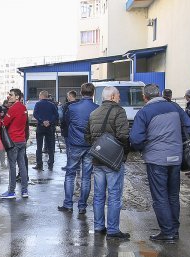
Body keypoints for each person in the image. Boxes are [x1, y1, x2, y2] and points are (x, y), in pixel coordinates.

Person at [130, 84, 190, 243]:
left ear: (145, 97)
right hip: (175, 157)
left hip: (156, 159)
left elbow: (135, 139)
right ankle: (174, 230)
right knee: (173, 195)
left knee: (160, 196)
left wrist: (145, 145)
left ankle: (167, 232)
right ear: (159, 94)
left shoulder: (144, 112)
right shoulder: (174, 107)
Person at [85, 86, 131, 239]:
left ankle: (98, 226)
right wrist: (123, 152)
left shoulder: (93, 113)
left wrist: (99, 146)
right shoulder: (119, 111)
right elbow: (124, 135)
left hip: (98, 159)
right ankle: (112, 230)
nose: (119, 98)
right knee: (114, 194)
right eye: (118, 95)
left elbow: (87, 136)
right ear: (112, 97)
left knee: (98, 195)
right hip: (113, 161)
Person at [59, 83, 97, 215]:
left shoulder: (73, 107)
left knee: (70, 174)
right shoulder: (97, 108)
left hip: (75, 144)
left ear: (81, 93)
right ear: (93, 93)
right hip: (89, 145)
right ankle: (82, 206)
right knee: (86, 177)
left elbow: (65, 121)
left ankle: (68, 204)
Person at [1, 88, 30, 199]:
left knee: (12, 166)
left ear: (17, 97)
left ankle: (11, 191)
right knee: (22, 166)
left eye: (11, 95)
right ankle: (24, 191)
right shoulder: (24, 108)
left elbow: (4, 123)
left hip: (13, 141)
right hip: (22, 140)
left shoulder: (13, 108)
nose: (9, 96)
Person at [33, 91, 59, 170]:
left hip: (40, 127)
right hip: (49, 127)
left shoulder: (38, 104)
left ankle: (39, 164)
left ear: (41, 96)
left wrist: (42, 121)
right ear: (47, 96)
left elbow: (35, 114)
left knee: (39, 146)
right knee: (50, 147)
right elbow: (56, 115)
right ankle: (50, 164)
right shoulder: (52, 104)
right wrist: (49, 121)